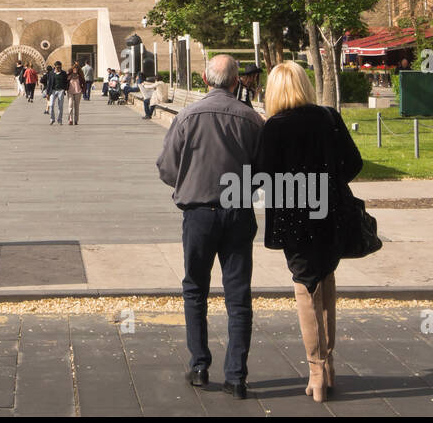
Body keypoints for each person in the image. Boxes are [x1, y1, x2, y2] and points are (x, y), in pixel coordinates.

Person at [155, 54, 264, 399]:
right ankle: (237, 375)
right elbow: (264, 171)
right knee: (238, 294)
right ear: (237, 81)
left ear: (205, 79)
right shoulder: (250, 119)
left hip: (199, 212)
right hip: (237, 211)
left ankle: (200, 364)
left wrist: (189, 182)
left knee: (195, 289)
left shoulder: (187, 116)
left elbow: (167, 167)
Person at [254, 61, 362, 403]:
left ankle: (316, 371)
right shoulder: (329, 118)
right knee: (326, 279)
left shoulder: (274, 128)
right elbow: (354, 163)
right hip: (329, 213)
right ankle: (328, 368)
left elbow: (260, 176)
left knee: (305, 286)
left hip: (292, 217)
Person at [48, 61, 68, 126]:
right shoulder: (51, 73)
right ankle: (52, 119)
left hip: (61, 90)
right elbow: (49, 83)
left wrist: (65, 89)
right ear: (55, 67)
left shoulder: (63, 73)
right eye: (57, 67)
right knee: (51, 105)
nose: (59, 68)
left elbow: (66, 82)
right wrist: (48, 93)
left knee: (60, 106)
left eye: (60, 67)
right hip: (53, 90)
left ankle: (60, 120)